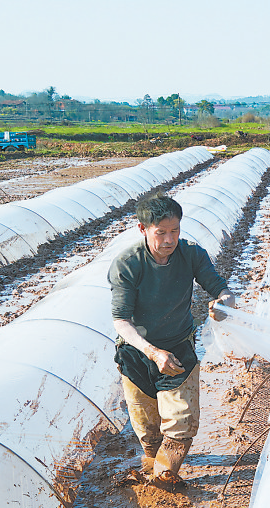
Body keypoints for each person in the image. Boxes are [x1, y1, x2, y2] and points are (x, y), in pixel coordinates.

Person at [108, 193, 233, 490]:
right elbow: (121, 321)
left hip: (177, 347)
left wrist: (224, 303)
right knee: (147, 427)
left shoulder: (191, 254)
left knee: (181, 421)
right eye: (160, 232)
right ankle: (152, 461)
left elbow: (219, 287)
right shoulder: (128, 264)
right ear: (143, 229)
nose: (169, 239)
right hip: (137, 351)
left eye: (174, 231)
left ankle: (165, 475)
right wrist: (152, 352)